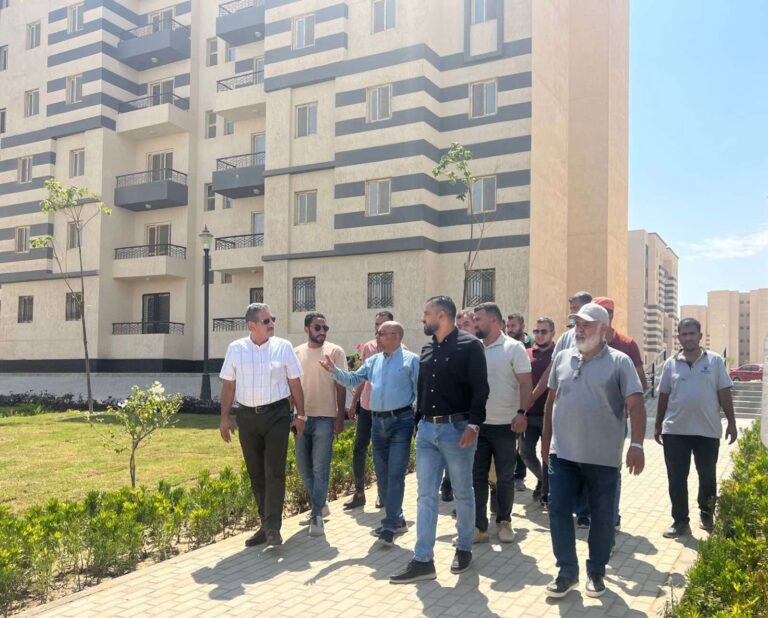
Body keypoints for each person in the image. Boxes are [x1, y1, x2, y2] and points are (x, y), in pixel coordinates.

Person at [542, 303, 646, 599]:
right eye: (577, 324)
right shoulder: (562, 357)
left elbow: (636, 404)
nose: (579, 329)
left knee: (602, 515)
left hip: (602, 458)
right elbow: (551, 401)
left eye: (586, 324)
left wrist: (637, 444)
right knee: (558, 510)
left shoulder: (620, 362)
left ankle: (596, 572)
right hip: (562, 454)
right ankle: (566, 572)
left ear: (603, 329)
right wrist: (546, 442)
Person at [390, 296, 489, 583]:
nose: (423, 318)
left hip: (458, 430)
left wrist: (474, 425)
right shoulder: (427, 347)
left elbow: (481, 389)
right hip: (427, 432)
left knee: (463, 492)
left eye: (427, 313)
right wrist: (418, 422)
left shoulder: (470, 345)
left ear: (442, 315)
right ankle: (423, 560)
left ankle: (464, 548)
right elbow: (422, 388)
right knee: (425, 495)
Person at [321, 321, 419, 546]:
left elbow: (419, 392)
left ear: (396, 336)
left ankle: (390, 524)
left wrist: (417, 421)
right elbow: (354, 379)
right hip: (377, 423)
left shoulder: (411, 360)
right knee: (382, 474)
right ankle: (397, 519)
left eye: (381, 333)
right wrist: (334, 371)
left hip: (401, 422)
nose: (377, 337)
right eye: (378, 333)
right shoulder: (373, 361)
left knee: (395, 473)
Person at [219, 303, 305, 548]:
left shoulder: (283, 347)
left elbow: (295, 383)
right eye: (266, 321)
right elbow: (229, 385)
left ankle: (274, 527)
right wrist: (224, 418)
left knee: (274, 471)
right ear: (251, 325)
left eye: (272, 319)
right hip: (247, 417)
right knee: (256, 473)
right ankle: (265, 524)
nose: (272, 324)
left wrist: (301, 415)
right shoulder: (236, 349)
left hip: (277, 415)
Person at [655, 318, 737, 538]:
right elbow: (663, 396)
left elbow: (724, 393)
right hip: (675, 431)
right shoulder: (670, 364)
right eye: (684, 334)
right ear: (679, 337)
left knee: (707, 476)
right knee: (677, 478)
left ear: (700, 336)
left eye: (692, 333)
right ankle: (680, 521)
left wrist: (732, 422)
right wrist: (658, 425)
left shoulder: (715, 361)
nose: (688, 337)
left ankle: (707, 514)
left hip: (707, 431)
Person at [575, 297, 648, 530]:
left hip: (613, 422)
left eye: (608, 311)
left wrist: (625, 403)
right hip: (583, 422)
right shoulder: (578, 342)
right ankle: (584, 513)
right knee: (582, 464)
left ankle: (611, 515)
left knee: (610, 468)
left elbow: (641, 384)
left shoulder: (626, 345)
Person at [470, 302, 532, 544]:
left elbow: (525, 383)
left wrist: (522, 412)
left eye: (479, 319)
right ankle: (479, 526)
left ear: (494, 321)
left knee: (505, 476)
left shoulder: (513, 348)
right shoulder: (474, 348)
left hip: (506, 425)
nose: (475, 323)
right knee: (477, 476)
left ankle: (504, 522)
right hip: (477, 425)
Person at [293, 312, 348, 537]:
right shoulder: (296, 352)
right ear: (307, 329)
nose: (322, 332)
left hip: (325, 418)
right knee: (302, 467)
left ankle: (316, 515)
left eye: (325, 328)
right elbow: (292, 385)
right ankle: (321, 505)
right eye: (317, 327)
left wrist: (340, 416)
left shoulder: (335, 352)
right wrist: (294, 414)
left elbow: (341, 385)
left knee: (320, 468)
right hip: (302, 418)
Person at [344, 311, 393, 511]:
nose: (378, 328)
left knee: (382, 451)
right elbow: (362, 378)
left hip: (386, 411)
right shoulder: (368, 348)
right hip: (366, 408)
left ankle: (383, 493)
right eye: (376, 324)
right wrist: (354, 402)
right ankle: (359, 493)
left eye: (382, 324)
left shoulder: (401, 351)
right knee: (359, 449)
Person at [520, 317, 556, 505]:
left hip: (550, 415)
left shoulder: (558, 354)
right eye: (537, 331)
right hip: (528, 414)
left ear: (552, 333)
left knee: (547, 454)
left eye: (544, 331)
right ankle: (543, 480)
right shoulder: (526, 354)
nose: (539, 335)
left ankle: (546, 493)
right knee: (525, 453)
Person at [441, 308, 475, 502]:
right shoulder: (450, 350)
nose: (461, 329)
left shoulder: (479, 348)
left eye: (466, 325)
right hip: (455, 417)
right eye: (459, 326)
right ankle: (448, 484)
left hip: (479, 418)